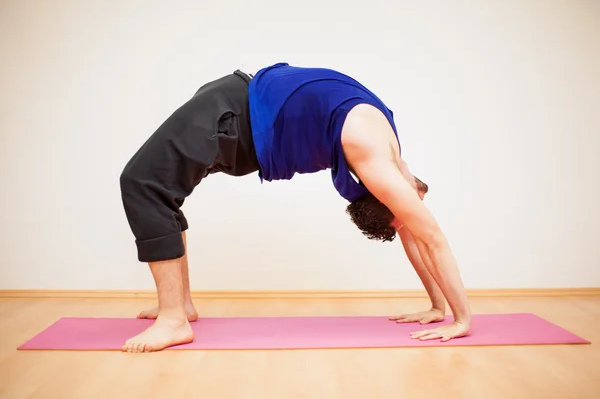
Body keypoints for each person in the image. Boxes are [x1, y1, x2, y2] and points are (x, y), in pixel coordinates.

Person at [119, 62, 471, 353]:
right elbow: (424, 236)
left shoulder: (382, 159)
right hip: (236, 113)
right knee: (156, 187)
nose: (417, 203)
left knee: (143, 183)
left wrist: (446, 312)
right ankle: (177, 309)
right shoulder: (384, 159)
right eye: (410, 205)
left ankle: (173, 320)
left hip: (236, 118)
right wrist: (454, 316)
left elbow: (425, 238)